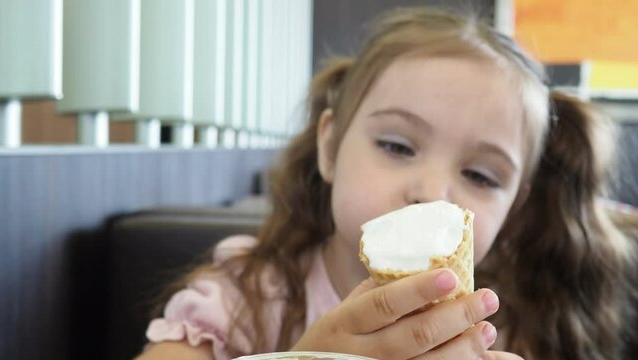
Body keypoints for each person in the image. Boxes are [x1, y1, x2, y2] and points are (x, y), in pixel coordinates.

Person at [136, 7, 637, 360]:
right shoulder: (244, 297)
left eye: (480, 176)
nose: (432, 192)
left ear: (516, 208)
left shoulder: (505, 328)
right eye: (397, 147)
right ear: (329, 147)